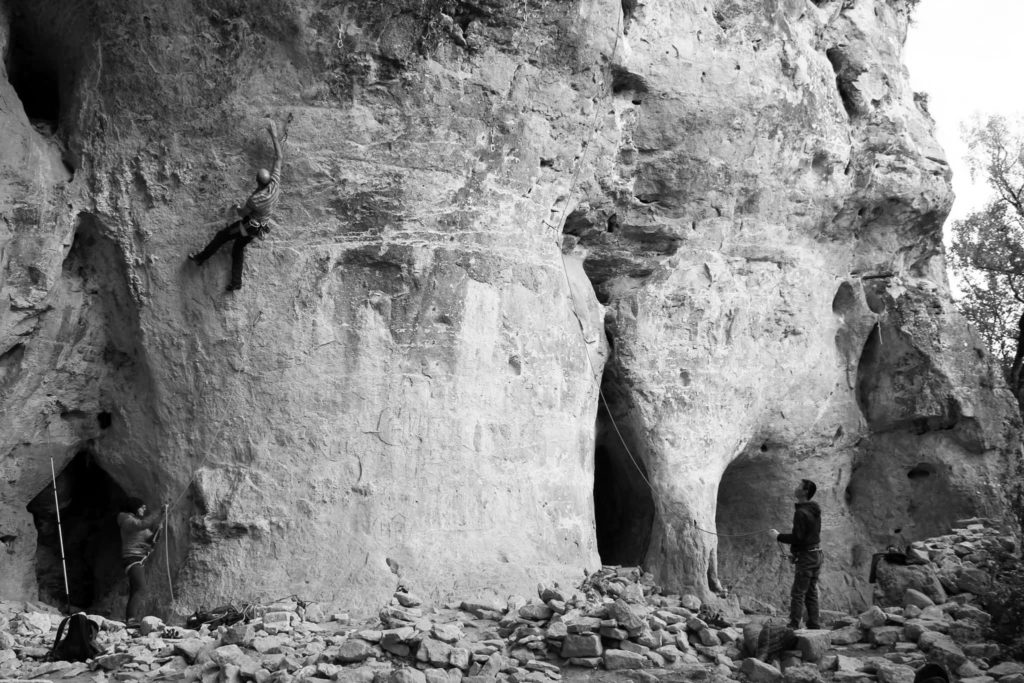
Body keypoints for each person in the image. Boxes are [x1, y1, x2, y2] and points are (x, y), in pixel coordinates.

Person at [190, 120, 284, 291]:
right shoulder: (275, 184)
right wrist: (274, 135)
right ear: (269, 179)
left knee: (222, 236)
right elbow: (279, 157)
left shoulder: (255, 199)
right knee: (238, 248)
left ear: (257, 181)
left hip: (248, 226)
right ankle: (236, 283)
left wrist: (235, 208)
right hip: (260, 226)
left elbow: (243, 214)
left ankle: (200, 259)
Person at [769, 478, 822, 629]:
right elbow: (810, 536)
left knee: (798, 592)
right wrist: (797, 554)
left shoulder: (801, 512)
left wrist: (778, 536)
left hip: (807, 557)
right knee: (811, 591)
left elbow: (798, 537)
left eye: (799, 486)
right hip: (816, 554)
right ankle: (814, 623)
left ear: (805, 491)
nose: (796, 487)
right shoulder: (814, 510)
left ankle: (793, 624)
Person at [117, 497, 166, 626]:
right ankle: (131, 619)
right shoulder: (126, 520)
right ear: (134, 507)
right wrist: (158, 512)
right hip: (132, 558)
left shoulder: (138, 525)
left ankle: (130, 618)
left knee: (135, 589)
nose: (144, 508)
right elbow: (140, 525)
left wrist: (159, 526)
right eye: (141, 506)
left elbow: (150, 539)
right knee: (141, 587)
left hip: (138, 559)